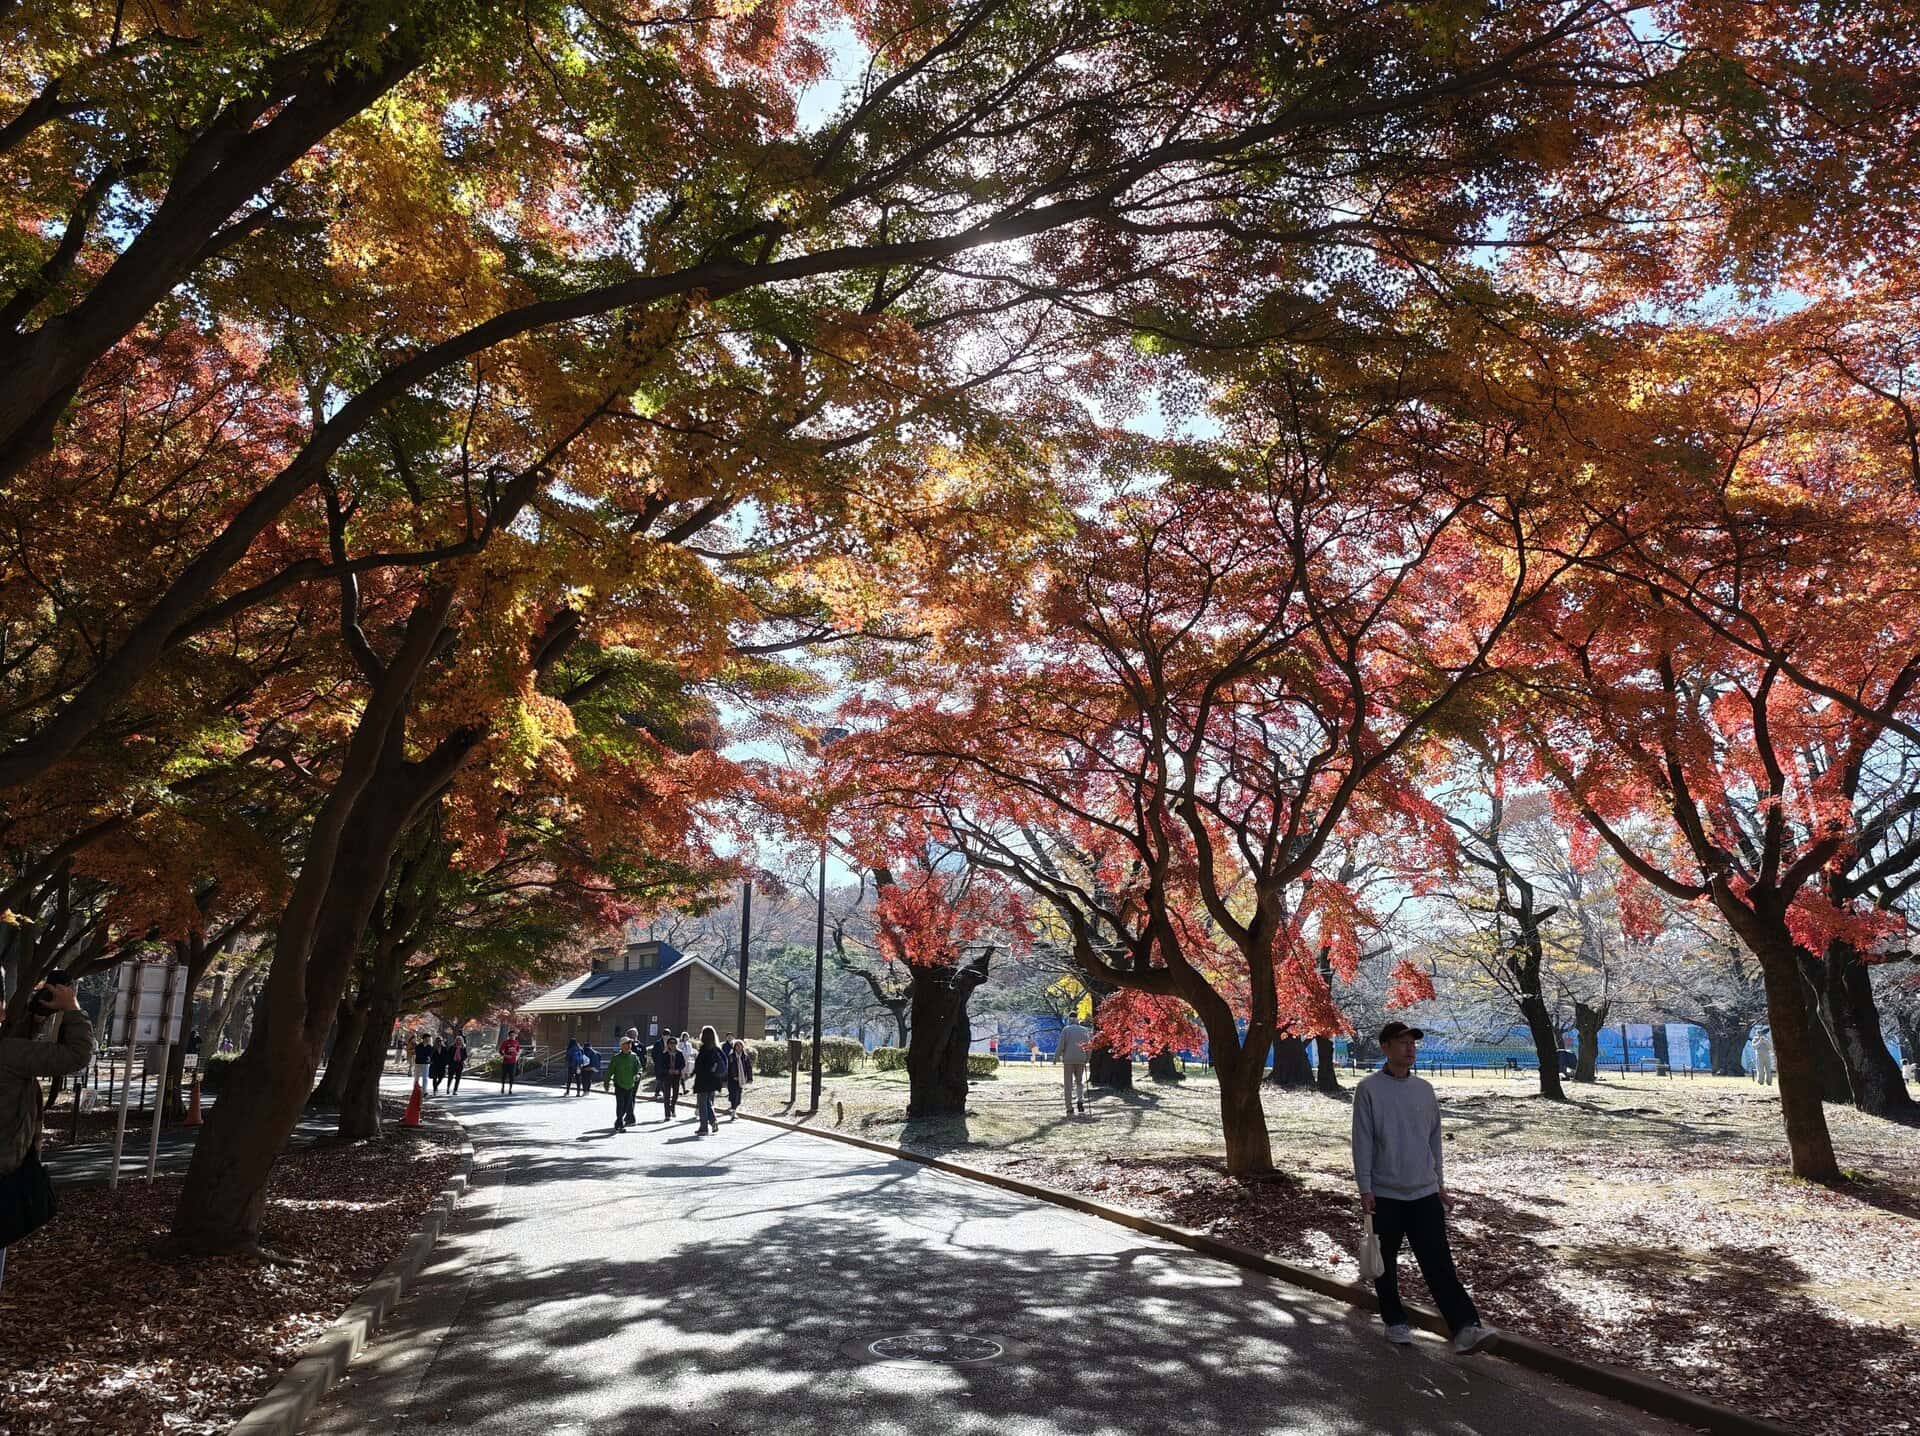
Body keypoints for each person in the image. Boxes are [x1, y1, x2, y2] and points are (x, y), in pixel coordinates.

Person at [1352, 1021, 1496, 1354]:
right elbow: (1362, 1142)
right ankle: (1395, 1321)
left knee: (1438, 1262)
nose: (1409, 1048)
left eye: (1412, 1043)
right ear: (1385, 1047)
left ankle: (1465, 1327)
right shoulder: (1369, 1089)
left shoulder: (1424, 1090)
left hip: (1424, 1192)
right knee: (1385, 1264)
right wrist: (1365, 1187)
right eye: (1401, 1043)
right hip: (1385, 1193)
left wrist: (1440, 1185)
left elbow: (1434, 1143)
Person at [1, 975, 95, 1294]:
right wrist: (73, 1009)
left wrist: (34, 1019)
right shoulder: (9, 1054)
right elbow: (76, 1056)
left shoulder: (10, 1051)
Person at [691, 1026, 726, 1135]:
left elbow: (700, 1066)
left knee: (702, 1104)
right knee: (708, 1103)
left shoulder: (704, 1049)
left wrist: (693, 1073)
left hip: (703, 1080)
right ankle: (713, 1121)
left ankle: (704, 1127)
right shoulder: (717, 1049)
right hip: (714, 1080)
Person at [1058, 1017, 1092, 1115]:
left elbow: (1061, 1045)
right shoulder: (1084, 1030)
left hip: (1068, 1060)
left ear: (1069, 1019)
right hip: (1080, 1059)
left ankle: (1069, 1107)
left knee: (1068, 1084)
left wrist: (1057, 1057)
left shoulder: (1066, 1030)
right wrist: (1087, 1058)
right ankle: (1080, 1100)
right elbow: (1089, 1046)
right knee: (1079, 1082)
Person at [607, 1038, 642, 1132]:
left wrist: (638, 1074)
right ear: (621, 1046)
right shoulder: (616, 1057)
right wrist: (606, 1082)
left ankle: (618, 1121)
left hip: (630, 1085)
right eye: (626, 1044)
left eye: (630, 1044)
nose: (628, 1046)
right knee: (620, 1104)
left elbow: (639, 1068)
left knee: (627, 1105)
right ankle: (620, 1123)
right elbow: (610, 1071)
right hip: (619, 1084)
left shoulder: (634, 1056)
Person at [722, 1033, 746, 1115]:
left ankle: (734, 1107)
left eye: (740, 1046)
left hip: (741, 1078)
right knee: (733, 1093)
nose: (738, 1048)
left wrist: (749, 1078)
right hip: (732, 1078)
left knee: (738, 1094)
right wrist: (733, 1076)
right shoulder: (731, 1056)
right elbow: (730, 1067)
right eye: (737, 1046)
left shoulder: (744, 1056)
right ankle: (733, 1108)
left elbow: (748, 1067)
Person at [664, 1035, 687, 1119]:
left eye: (674, 1043)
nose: (672, 1045)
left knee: (675, 1094)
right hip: (667, 1076)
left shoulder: (679, 1053)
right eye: (670, 1043)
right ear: (668, 1044)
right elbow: (661, 1065)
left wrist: (679, 1070)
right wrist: (667, 1070)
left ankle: (672, 1107)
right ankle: (667, 1114)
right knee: (666, 1095)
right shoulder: (665, 1054)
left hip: (676, 1076)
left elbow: (683, 1064)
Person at [649, 1033, 669, 1101]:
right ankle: (657, 1092)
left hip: (665, 1064)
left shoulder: (670, 1043)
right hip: (659, 1063)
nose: (667, 1037)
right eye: (666, 1035)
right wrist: (656, 1061)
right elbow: (654, 1053)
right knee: (659, 1078)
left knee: (663, 1079)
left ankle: (661, 1092)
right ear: (663, 1035)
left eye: (668, 1035)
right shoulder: (658, 1043)